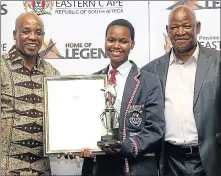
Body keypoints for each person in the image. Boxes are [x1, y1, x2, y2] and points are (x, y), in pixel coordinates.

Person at [77, 19, 165, 176]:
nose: (116, 46)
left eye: (123, 41)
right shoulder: (93, 80)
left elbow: (155, 127)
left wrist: (127, 146)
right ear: (105, 42)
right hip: (99, 167)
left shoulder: (149, 81)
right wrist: (81, 145)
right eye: (111, 40)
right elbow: (83, 123)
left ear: (132, 44)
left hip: (134, 166)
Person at [142, 5, 221, 176]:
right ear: (167, 30)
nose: (180, 32)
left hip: (211, 159)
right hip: (169, 161)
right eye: (174, 27)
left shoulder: (218, 62)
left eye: (186, 26)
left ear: (197, 27)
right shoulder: (151, 71)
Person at [1, 12, 60, 175]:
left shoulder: (52, 73)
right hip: (6, 169)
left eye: (38, 32)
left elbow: (62, 118)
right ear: (15, 34)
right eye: (26, 31)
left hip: (41, 169)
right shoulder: (1, 66)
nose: (33, 37)